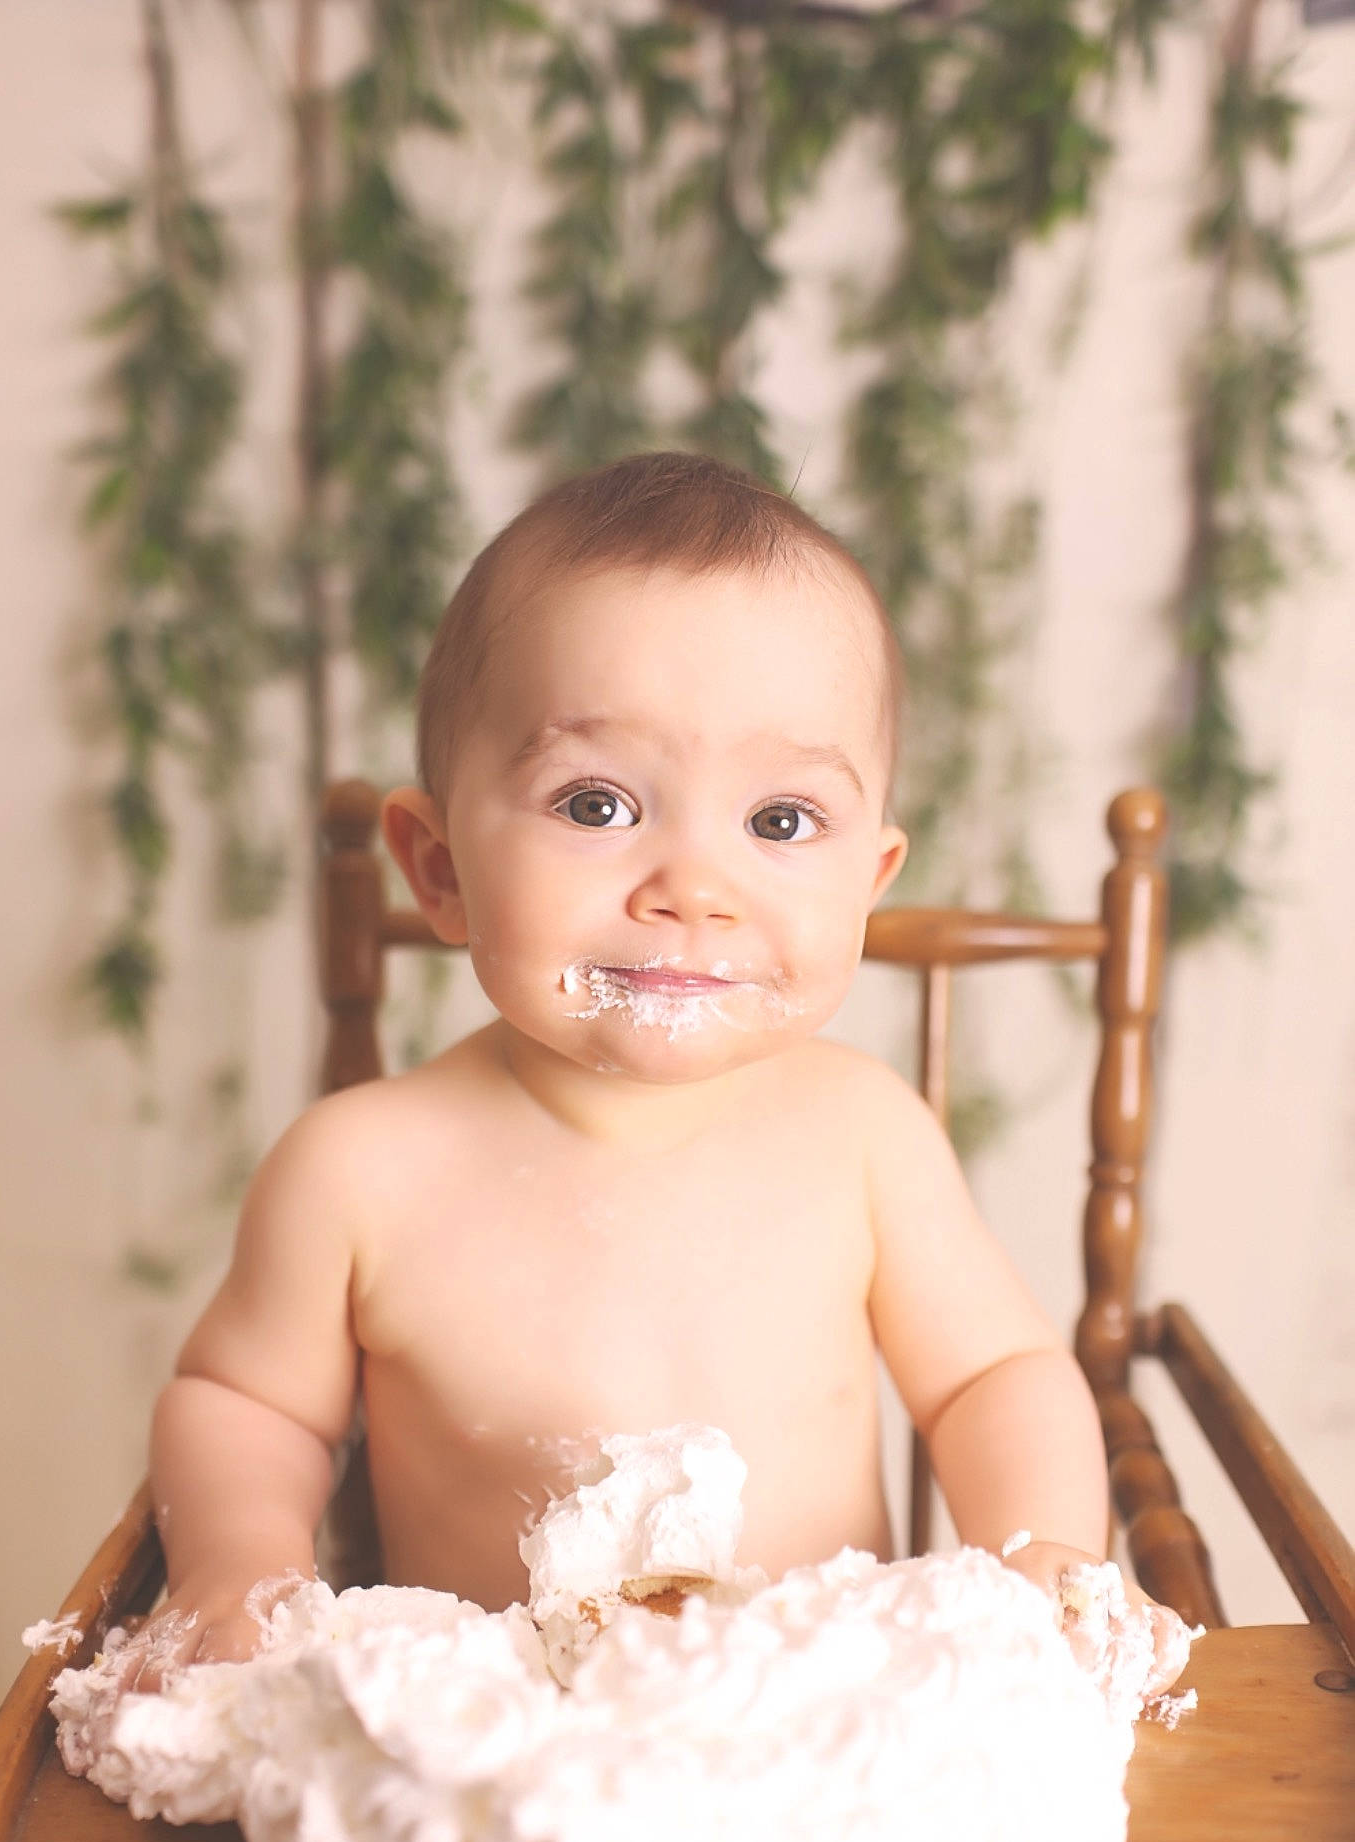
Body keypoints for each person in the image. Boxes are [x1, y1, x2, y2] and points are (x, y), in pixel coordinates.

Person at [131, 451, 1186, 1691]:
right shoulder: (359, 1169)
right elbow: (246, 1404)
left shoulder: (862, 1138)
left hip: (823, 1729)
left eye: (781, 822)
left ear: (869, 880)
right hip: (490, 1757)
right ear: (439, 867)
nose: (694, 886)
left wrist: (1039, 1549)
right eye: (596, 804)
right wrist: (237, 1563)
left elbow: (994, 1377)